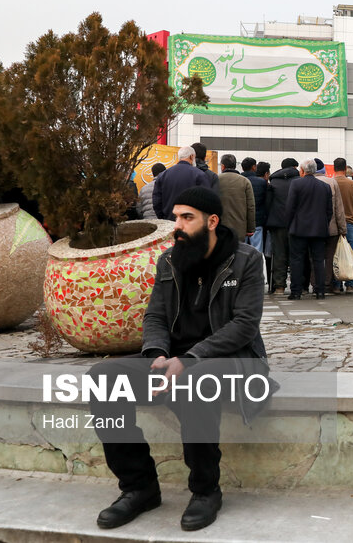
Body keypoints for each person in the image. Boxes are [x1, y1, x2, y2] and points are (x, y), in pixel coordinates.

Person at [87, 186, 272, 532]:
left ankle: (206, 490)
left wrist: (188, 359)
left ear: (212, 221)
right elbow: (155, 316)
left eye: (187, 217)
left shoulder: (246, 260)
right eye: (176, 217)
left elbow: (245, 326)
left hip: (233, 363)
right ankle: (139, 486)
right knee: (103, 378)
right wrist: (157, 356)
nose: (178, 225)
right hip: (173, 361)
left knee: (195, 382)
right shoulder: (170, 260)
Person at [286, 159, 333, 300]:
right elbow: (329, 210)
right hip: (319, 229)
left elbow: (290, 207)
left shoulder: (296, 184)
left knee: (297, 260)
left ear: (302, 170)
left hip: (299, 228)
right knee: (318, 260)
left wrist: (290, 225)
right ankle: (320, 290)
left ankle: (296, 291)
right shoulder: (325, 187)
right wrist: (324, 223)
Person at [264, 158, 299, 295]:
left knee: (279, 255)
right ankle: (298, 286)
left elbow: (268, 204)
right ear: (294, 167)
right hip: (295, 224)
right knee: (296, 255)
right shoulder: (298, 181)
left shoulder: (273, 182)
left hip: (277, 224)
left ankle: (279, 286)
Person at [314, 158, 347, 294]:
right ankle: (327, 285)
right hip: (331, 227)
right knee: (330, 257)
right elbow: (338, 208)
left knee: (314, 257)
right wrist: (342, 228)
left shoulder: (305, 182)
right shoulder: (332, 182)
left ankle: (316, 284)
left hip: (313, 228)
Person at [153, 146, 210, 221]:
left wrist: (163, 218)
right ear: (191, 156)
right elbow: (206, 200)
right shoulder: (199, 175)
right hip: (192, 222)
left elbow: (157, 202)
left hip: (169, 221)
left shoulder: (163, 175)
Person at [333, 158, 353, 294]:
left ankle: (336, 285)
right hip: (350, 222)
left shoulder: (331, 183)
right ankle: (350, 284)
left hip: (334, 224)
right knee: (350, 254)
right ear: (345, 168)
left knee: (335, 255)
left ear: (334, 168)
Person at [217, 154, 255, 244]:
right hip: (239, 228)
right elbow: (251, 207)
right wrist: (250, 228)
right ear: (235, 166)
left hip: (220, 227)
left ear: (222, 166)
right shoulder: (245, 181)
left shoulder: (216, 180)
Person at [241, 157, 268, 252]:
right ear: (253, 167)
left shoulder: (239, 180)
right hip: (257, 220)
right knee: (257, 250)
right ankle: (257, 267)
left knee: (241, 250)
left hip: (241, 221)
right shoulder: (261, 182)